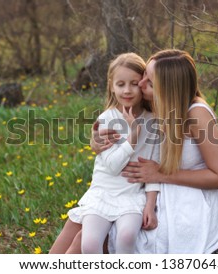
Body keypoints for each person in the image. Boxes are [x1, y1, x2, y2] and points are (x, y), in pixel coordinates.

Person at [50, 49, 218, 254]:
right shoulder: (159, 105)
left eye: (150, 82)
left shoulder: (197, 114)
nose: (141, 84)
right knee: (79, 221)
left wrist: (160, 174)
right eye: (145, 75)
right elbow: (125, 126)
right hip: (155, 186)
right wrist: (97, 142)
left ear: (167, 89)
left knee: (86, 239)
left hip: (190, 197)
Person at [53, 52, 160, 254]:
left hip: (132, 195)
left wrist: (150, 205)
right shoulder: (108, 119)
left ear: (143, 84)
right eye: (120, 84)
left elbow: (155, 165)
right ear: (111, 85)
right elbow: (112, 166)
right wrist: (133, 136)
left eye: (134, 83)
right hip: (103, 193)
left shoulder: (153, 121)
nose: (127, 90)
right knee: (89, 244)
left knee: (126, 237)